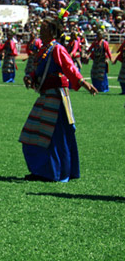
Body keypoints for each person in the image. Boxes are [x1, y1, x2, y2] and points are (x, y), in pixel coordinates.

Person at [20, 16, 97, 182]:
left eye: (44, 28)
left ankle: (54, 172)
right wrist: (30, 77)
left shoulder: (57, 49)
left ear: (52, 31)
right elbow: (38, 70)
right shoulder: (44, 49)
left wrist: (83, 83)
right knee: (33, 134)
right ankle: (41, 170)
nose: (41, 30)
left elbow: (69, 67)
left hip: (55, 97)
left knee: (53, 136)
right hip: (45, 96)